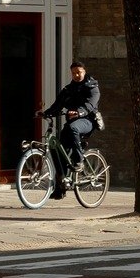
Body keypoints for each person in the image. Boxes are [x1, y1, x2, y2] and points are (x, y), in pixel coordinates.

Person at [42, 61, 100, 199]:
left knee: (73, 128)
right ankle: (60, 187)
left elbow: (90, 104)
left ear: (84, 71)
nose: (76, 75)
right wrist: (46, 113)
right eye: (73, 73)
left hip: (88, 121)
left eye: (79, 72)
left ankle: (79, 161)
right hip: (72, 123)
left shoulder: (92, 87)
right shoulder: (69, 89)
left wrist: (79, 112)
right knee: (58, 150)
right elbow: (58, 104)